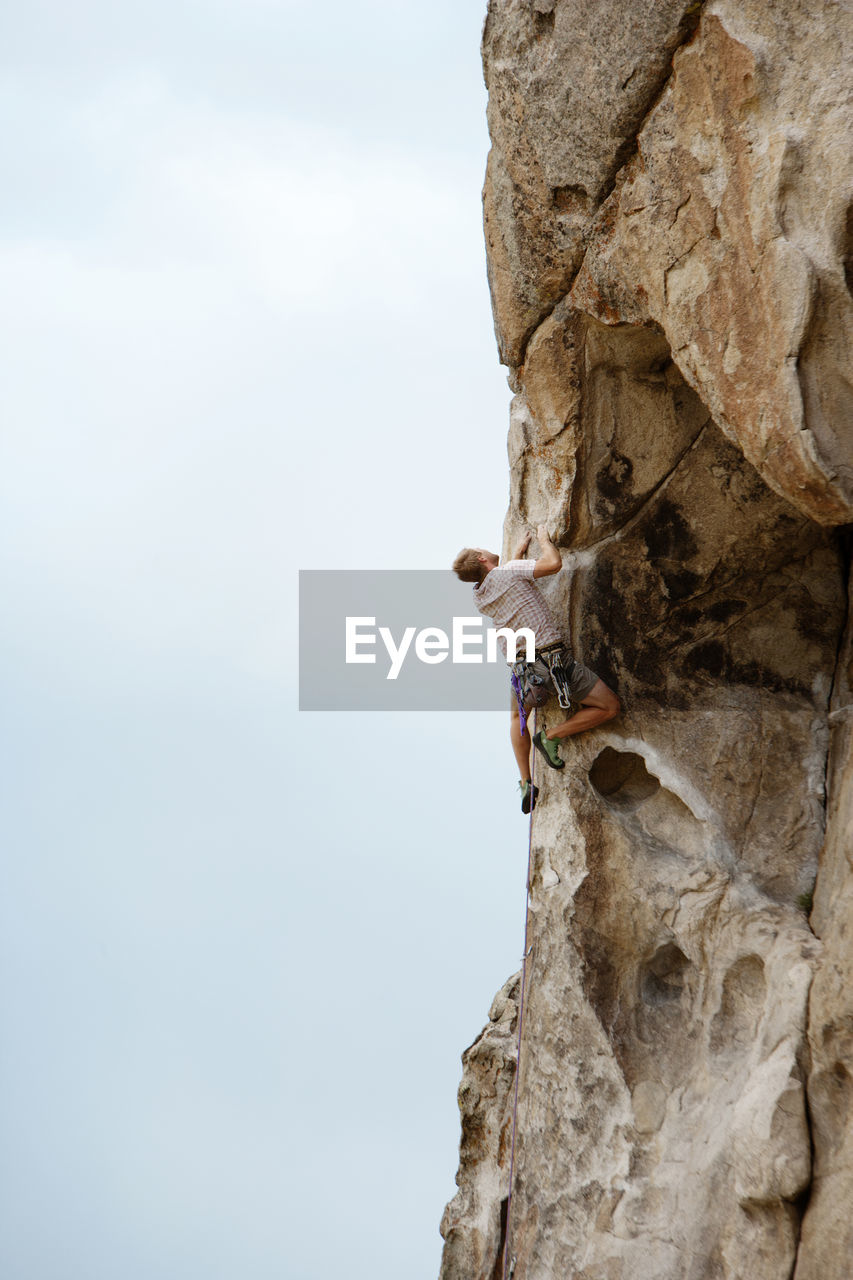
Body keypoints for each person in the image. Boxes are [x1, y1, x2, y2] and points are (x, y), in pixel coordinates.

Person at [452, 526, 620, 813]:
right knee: (609, 707)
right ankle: (552, 736)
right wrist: (543, 538)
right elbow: (553, 564)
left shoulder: (480, 597)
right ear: (481, 558)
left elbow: (504, 580)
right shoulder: (511, 571)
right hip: (552, 662)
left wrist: (517, 553)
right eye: (482, 549)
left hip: (522, 673)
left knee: (518, 717)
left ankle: (526, 781)